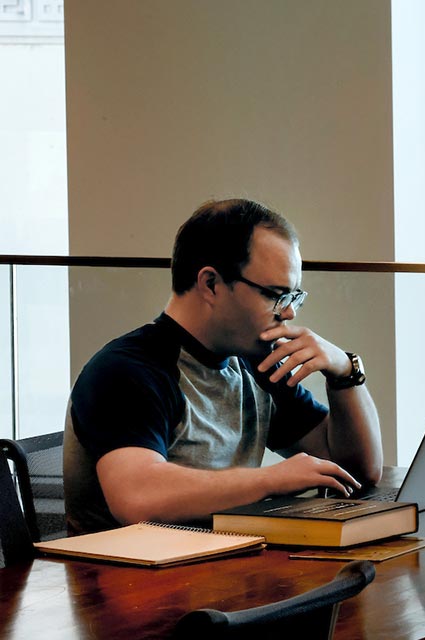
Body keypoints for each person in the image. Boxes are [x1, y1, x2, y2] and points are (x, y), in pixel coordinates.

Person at [63, 199, 382, 535]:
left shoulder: (256, 364)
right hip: (122, 581)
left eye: (293, 297)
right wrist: (270, 480)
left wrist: (345, 372)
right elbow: (137, 497)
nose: (289, 313)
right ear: (211, 284)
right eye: (276, 294)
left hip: (222, 570)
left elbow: (354, 470)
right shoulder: (125, 370)